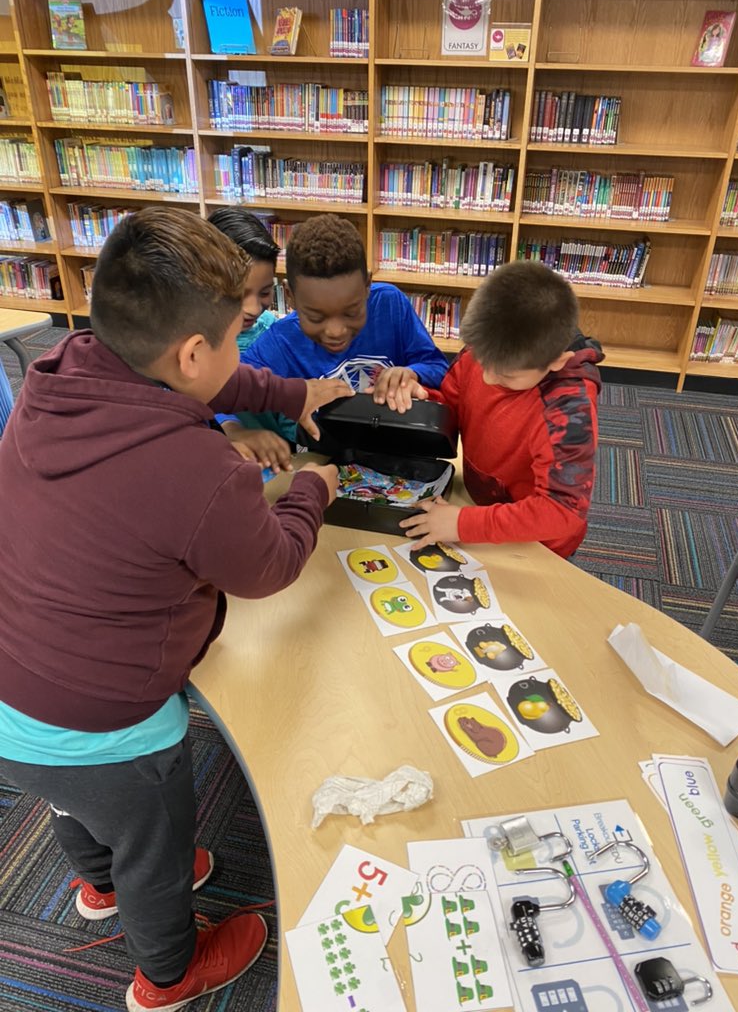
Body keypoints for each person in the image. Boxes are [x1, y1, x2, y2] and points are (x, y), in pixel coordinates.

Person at [0, 208, 351, 1012]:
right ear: (194, 352)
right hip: (111, 728)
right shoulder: (199, 470)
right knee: (154, 853)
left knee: (73, 805)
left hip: (13, 696)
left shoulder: (63, 368)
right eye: (237, 336)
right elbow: (268, 567)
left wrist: (294, 391)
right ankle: (167, 975)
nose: (242, 352)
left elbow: (217, 379)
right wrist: (311, 490)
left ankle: (97, 884)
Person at [400, 261, 604, 559]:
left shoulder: (568, 409)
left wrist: (463, 524)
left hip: (536, 542)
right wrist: (421, 399)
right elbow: (453, 406)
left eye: (506, 376)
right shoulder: (488, 348)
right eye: (482, 363)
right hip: (478, 507)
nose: (487, 378)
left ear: (557, 362)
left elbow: (561, 511)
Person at [218, 213, 449, 453]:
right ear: (290, 297)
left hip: (401, 451)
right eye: (316, 317)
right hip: (330, 460)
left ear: (367, 285)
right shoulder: (279, 343)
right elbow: (221, 387)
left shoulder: (390, 304)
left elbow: (437, 366)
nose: (336, 332)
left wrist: (412, 373)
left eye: (351, 312)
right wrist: (234, 430)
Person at [207, 207, 295, 470]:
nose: (253, 308)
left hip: (275, 465)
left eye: (265, 292)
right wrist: (232, 429)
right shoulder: (190, 343)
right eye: (239, 294)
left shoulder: (274, 333)